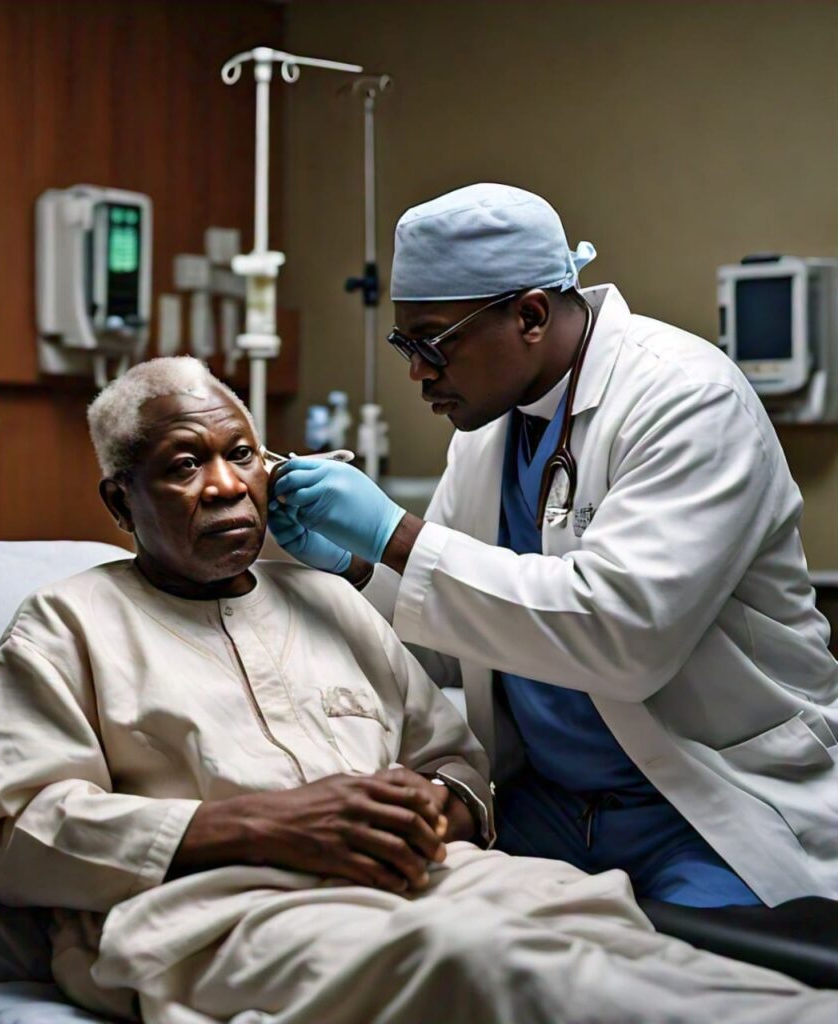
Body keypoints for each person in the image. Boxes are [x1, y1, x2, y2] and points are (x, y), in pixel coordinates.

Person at [0, 356, 837, 1024]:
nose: (227, 485)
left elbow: (452, 759)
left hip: (427, 878)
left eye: (240, 454)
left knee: (601, 920)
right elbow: (14, 832)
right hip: (223, 913)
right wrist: (264, 824)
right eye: (185, 465)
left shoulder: (330, 599)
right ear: (120, 503)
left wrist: (433, 809)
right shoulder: (65, 626)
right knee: (491, 963)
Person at [269, 182, 838, 912]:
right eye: (402, 343)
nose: (416, 371)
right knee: (438, 940)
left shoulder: (687, 399)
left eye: (430, 342)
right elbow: (451, 642)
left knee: (668, 984)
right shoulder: (489, 433)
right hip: (549, 808)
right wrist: (351, 565)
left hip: (706, 806)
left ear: (530, 315)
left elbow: (623, 639)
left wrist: (398, 536)